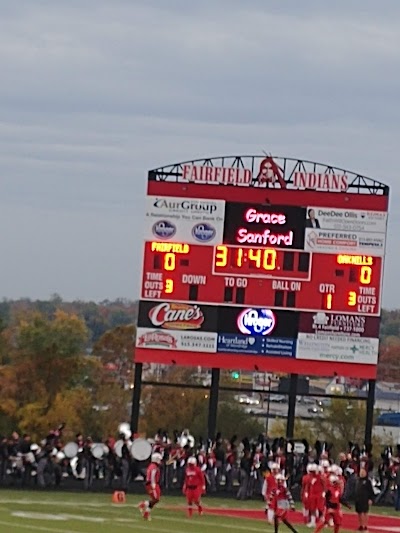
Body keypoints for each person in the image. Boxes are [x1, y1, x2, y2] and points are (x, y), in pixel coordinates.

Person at [139, 452, 162, 521]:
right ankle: (143, 504)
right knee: (156, 499)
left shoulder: (151, 466)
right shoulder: (154, 467)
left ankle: (146, 513)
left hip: (152, 483)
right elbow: (152, 476)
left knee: (155, 500)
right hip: (153, 484)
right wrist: (153, 485)